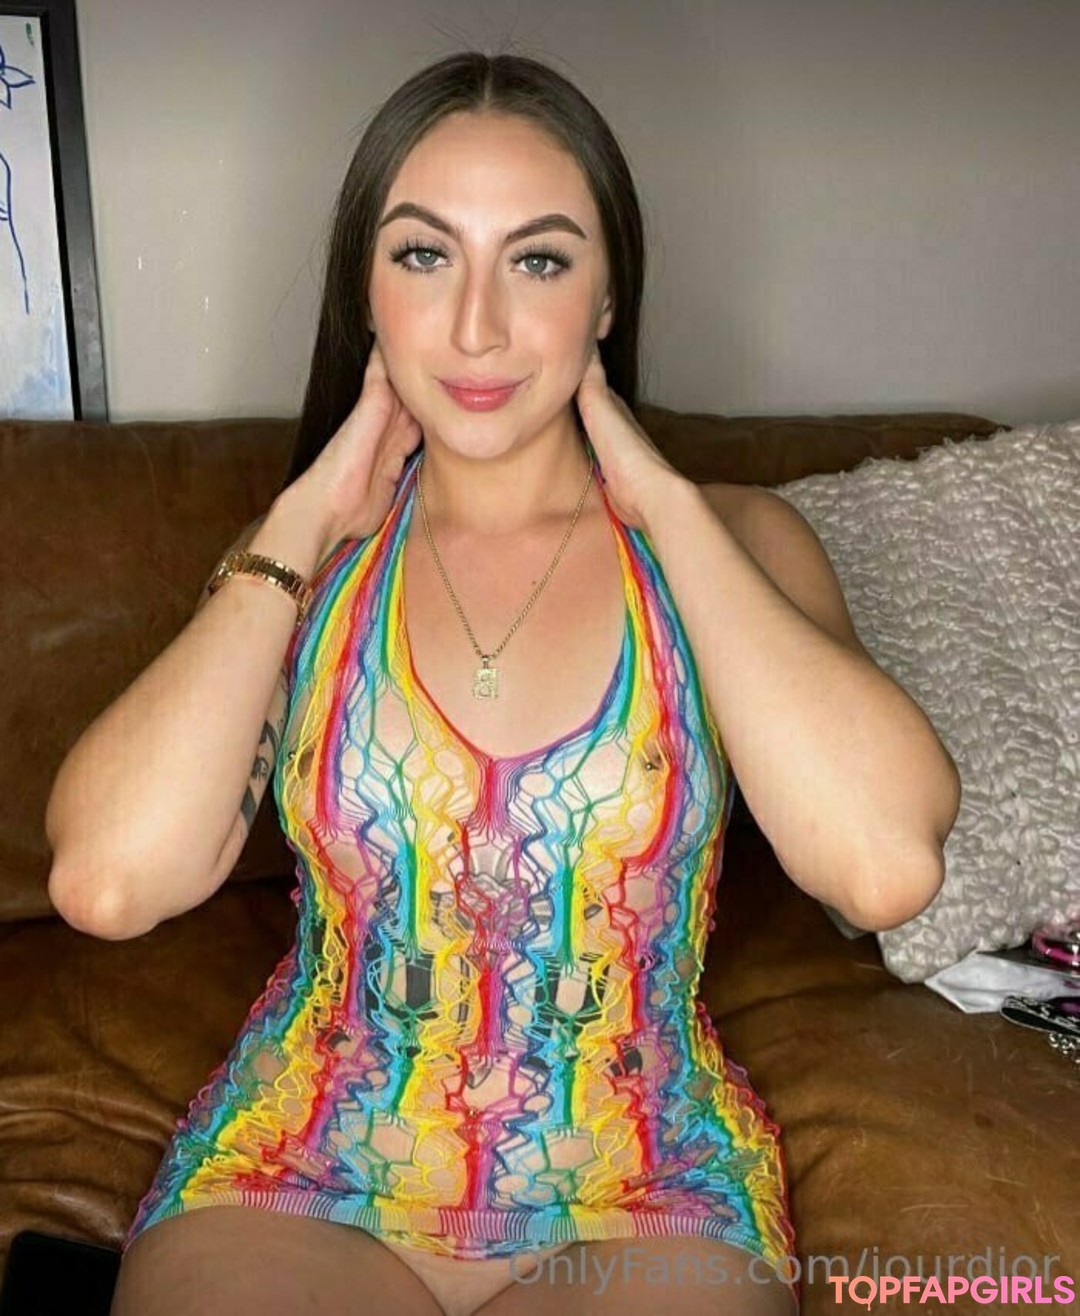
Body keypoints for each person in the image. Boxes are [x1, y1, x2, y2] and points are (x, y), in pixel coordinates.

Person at [44, 46, 960, 1316]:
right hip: (297, 1174)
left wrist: (665, 504)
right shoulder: (296, 568)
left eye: (539, 261)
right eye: (425, 256)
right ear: (366, 296)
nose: (477, 325)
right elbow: (107, 879)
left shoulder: (736, 544)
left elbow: (883, 864)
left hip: (644, 1189)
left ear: (607, 298)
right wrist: (307, 513)